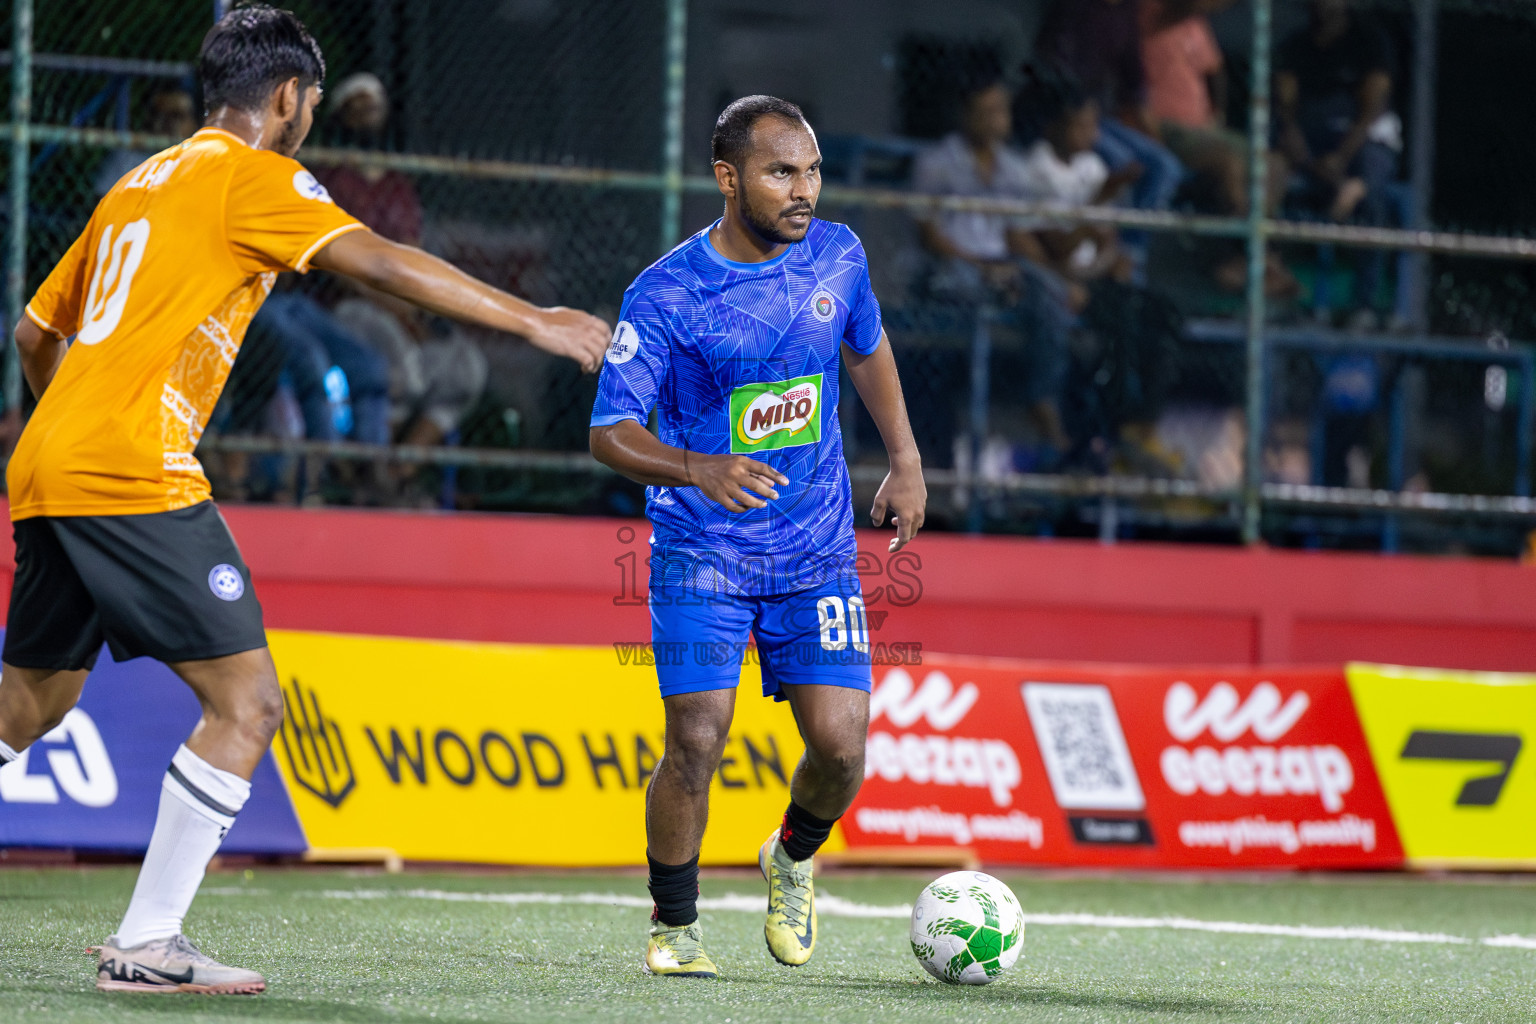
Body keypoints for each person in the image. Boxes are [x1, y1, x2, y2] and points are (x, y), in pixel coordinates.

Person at [0, 4, 607, 995]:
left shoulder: (136, 186)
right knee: (248, 703)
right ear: (288, 98)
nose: (311, 119)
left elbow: (33, 337)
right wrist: (532, 318)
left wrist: (70, 438)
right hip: (131, 465)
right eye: (313, 103)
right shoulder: (255, 176)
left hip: (47, 459)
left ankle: (151, 937)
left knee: (29, 705)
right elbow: (375, 259)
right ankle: (149, 941)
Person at [589, 95, 926, 978]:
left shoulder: (839, 255)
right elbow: (609, 433)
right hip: (702, 549)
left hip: (816, 549)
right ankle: (675, 923)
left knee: (843, 747)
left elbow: (867, 350)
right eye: (782, 172)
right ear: (728, 178)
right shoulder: (666, 293)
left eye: (812, 170)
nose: (804, 189)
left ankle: (792, 854)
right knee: (697, 739)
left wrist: (906, 459)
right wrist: (698, 467)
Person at [913, 77, 1101, 459]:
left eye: (1002, 110)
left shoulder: (1014, 169)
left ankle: (1043, 400)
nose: (998, 120)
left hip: (1003, 270)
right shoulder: (935, 162)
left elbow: (1017, 237)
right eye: (988, 111)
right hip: (952, 268)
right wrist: (980, 265)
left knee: (1050, 293)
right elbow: (929, 236)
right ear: (965, 116)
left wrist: (1054, 279)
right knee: (987, 285)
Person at [1275, 0, 1401, 324]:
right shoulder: (1296, 44)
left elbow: (1371, 108)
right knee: (1275, 177)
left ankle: (1364, 305)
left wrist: (1340, 160)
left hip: (1362, 140)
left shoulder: (1369, 41)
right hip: (1314, 145)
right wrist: (1307, 158)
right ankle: (1291, 300)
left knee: (1372, 195)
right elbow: (1286, 111)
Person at [1034, 0, 1183, 215]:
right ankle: (1116, 236)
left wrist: (1151, 130)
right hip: (1069, 113)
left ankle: (1133, 245)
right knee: (1123, 165)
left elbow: (1134, 80)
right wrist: (1080, 107)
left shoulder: (1125, 10)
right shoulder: (1073, 7)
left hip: (1101, 116)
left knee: (1167, 166)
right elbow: (1052, 63)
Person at [94, 85, 199, 196]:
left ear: (194, 123)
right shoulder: (127, 159)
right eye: (159, 115)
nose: (167, 123)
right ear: (150, 119)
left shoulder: (203, 162)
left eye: (177, 116)